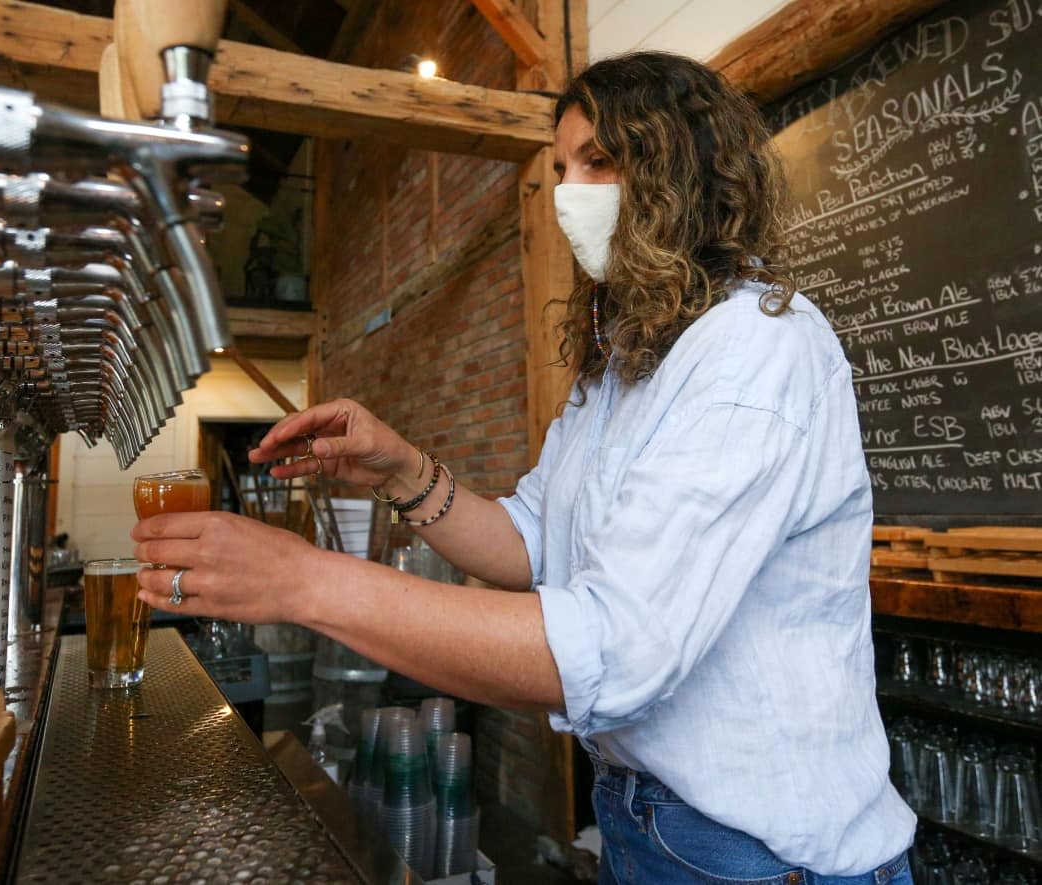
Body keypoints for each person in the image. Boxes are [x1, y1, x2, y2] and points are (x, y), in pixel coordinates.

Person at [133, 51, 916, 883]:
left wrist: (304, 583)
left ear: (678, 170)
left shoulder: (756, 348)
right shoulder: (619, 365)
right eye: (561, 168)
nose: (571, 191)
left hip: (763, 855)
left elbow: (616, 650)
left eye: (600, 161)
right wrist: (400, 467)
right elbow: (533, 539)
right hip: (642, 821)